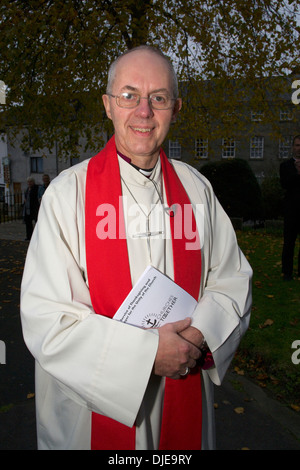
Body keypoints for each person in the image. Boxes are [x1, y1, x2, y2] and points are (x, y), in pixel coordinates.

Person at [20, 45, 252, 450]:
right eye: (129, 96)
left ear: (175, 108)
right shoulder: (67, 195)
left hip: (185, 398)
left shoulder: (196, 190)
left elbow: (232, 278)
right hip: (92, 419)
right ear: (108, 105)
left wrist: (201, 334)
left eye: (158, 98)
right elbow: (47, 319)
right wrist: (146, 356)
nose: (144, 112)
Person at [280, 135, 300, 280]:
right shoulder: (285, 166)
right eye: (297, 145)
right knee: (288, 243)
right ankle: (287, 272)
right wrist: (297, 173)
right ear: (293, 147)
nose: (299, 148)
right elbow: (285, 184)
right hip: (291, 209)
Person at [23, 176, 39, 240]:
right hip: (27, 209)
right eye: (28, 182)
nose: (29, 183)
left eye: (30, 182)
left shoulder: (36, 188)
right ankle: (29, 236)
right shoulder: (27, 189)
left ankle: (37, 236)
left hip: (34, 208)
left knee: (36, 222)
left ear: (33, 182)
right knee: (28, 223)